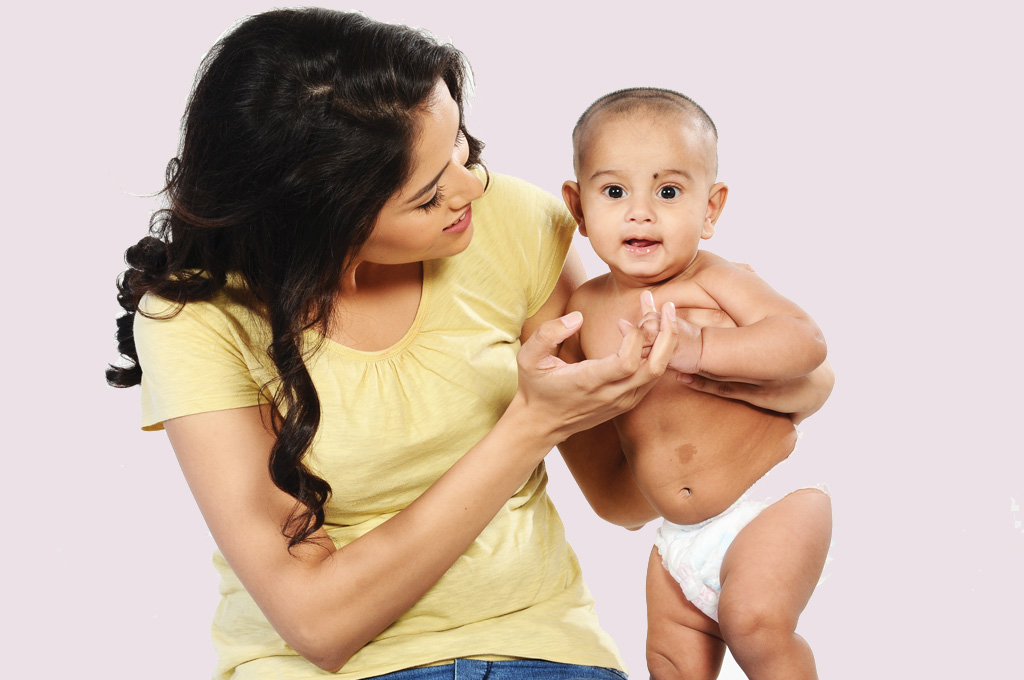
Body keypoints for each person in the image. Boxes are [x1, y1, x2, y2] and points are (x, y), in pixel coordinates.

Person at [107, 10, 834, 680]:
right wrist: (530, 425)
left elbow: (622, 496)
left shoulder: (514, 223)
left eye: (457, 143)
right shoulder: (196, 318)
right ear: (324, 219)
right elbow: (318, 624)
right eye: (429, 194)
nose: (471, 188)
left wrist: (766, 389)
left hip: (543, 652)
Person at [559, 88, 833, 680]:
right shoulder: (584, 308)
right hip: (678, 535)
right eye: (614, 192)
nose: (640, 213)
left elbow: (804, 340)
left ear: (710, 209)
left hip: (766, 499)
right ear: (578, 208)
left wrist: (702, 347)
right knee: (669, 660)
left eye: (667, 192)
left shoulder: (716, 278)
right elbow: (579, 406)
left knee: (755, 623)